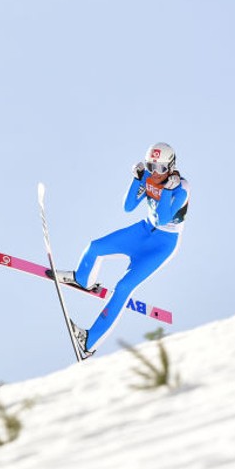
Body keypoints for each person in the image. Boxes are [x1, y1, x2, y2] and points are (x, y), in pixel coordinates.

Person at [55, 142, 189, 359]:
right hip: (143, 231)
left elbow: (164, 218)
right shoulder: (148, 177)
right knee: (96, 247)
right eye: (150, 167)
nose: (155, 174)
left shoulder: (182, 188)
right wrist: (137, 179)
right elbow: (128, 207)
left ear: (171, 167)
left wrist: (166, 191)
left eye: (161, 169)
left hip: (162, 245)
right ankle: (82, 279)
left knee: (124, 287)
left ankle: (90, 342)